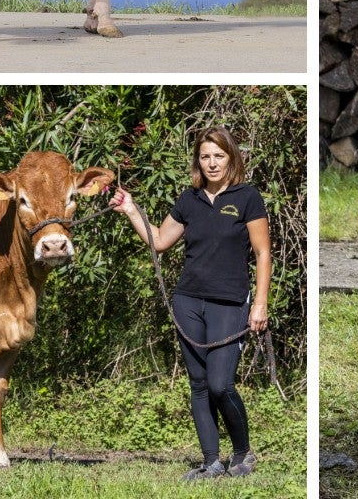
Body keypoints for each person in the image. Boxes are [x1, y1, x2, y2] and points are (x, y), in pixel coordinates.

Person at [110, 126, 272, 480]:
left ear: (231, 157)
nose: (212, 163)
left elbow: (262, 253)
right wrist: (131, 210)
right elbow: (160, 241)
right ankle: (211, 460)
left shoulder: (247, 197)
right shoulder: (190, 199)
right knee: (198, 383)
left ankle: (242, 452)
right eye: (205, 156)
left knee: (220, 384)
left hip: (230, 302)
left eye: (219, 156)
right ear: (197, 161)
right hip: (188, 300)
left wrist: (259, 304)